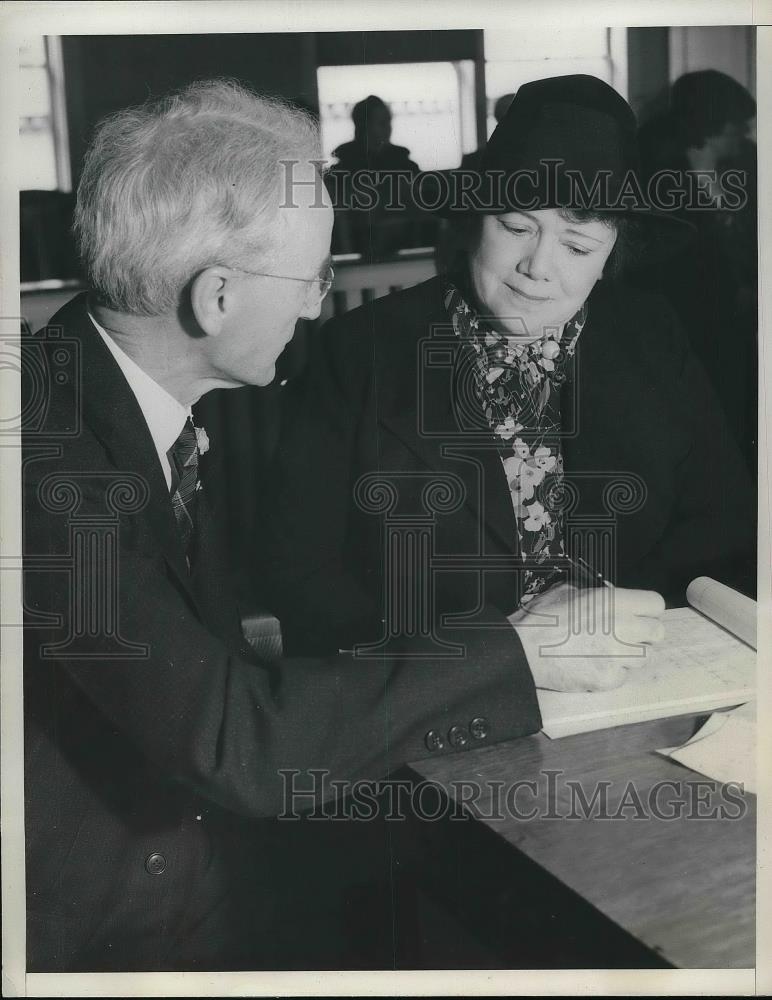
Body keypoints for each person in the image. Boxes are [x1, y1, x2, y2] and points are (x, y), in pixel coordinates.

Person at [21, 78, 655, 974]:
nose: (323, 303)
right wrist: (513, 648)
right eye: (314, 274)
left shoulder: (99, 393)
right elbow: (233, 739)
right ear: (218, 298)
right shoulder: (42, 467)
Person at [260, 74, 754, 660]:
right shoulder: (358, 351)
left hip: (632, 675)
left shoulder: (650, 334)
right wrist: (480, 664)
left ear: (612, 254)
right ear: (474, 219)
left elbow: (723, 524)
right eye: (517, 227)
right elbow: (301, 579)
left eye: (577, 246)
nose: (538, 267)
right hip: (442, 702)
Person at [635, 70, 757, 471]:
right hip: (683, 319)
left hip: (737, 320)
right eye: (737, 125)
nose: (744, 133)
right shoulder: (656, 169)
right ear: (712, 123)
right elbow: (656, 257)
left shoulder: (750, 166)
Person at [325, 95, 422, 258]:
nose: (388, 128)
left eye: (388, 122)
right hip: (358, 254)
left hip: (406, 249)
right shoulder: (343, 168)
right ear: (362, 126)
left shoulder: (404, 164)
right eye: (381, 123)